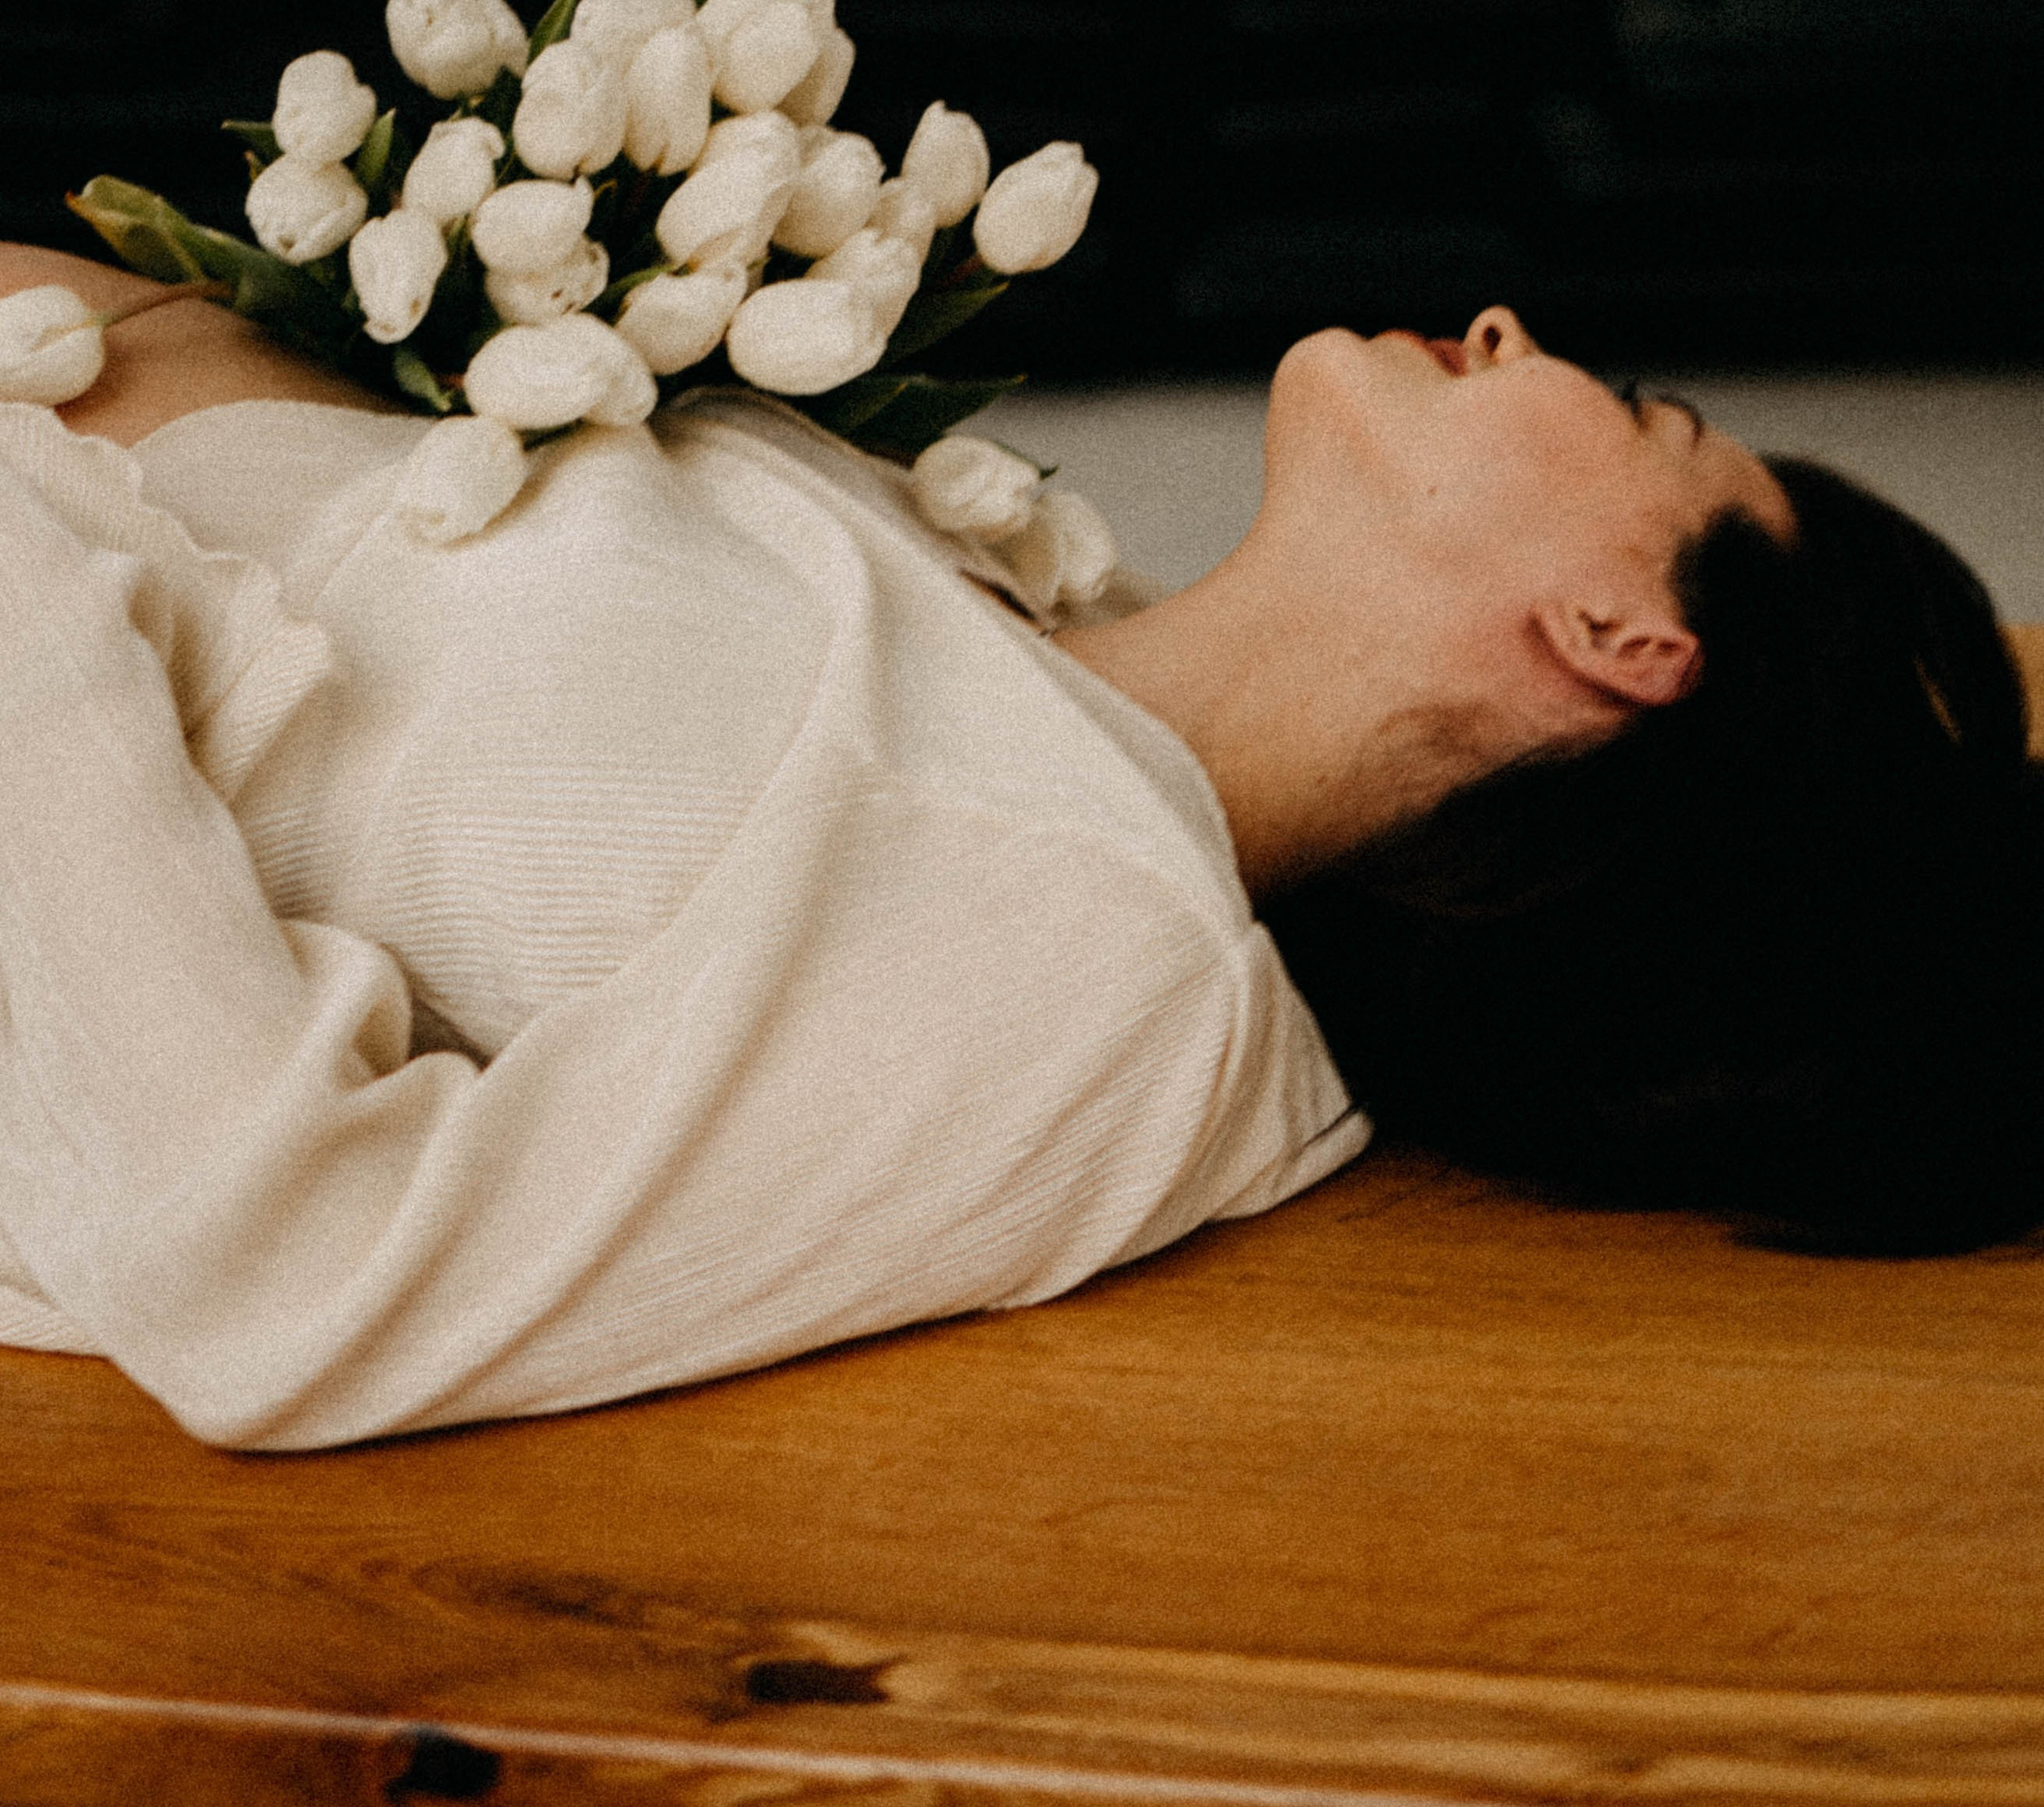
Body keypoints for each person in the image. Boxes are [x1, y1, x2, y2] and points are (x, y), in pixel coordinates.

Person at [1, 242, 2038, 1454]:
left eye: (1646, 415)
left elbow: (279, 1277)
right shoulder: (997, 600)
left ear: (1625, 640)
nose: (1515, 328)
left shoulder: (1097, 966)